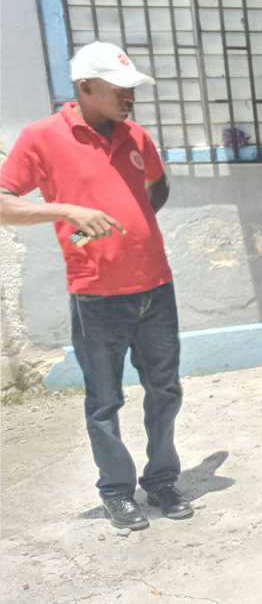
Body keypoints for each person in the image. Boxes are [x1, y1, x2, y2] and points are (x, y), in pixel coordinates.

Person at [0, 42, 191, 530]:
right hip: (97, 295)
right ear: (85, 87)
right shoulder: (41, 138)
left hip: (156, 287)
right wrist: (67, 211)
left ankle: (163, 481)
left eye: (132, 87)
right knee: (105, 400)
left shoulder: (136, 136)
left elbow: (158, 184)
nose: (130, 96)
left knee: (165, 390)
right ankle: (116, 491)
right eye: (119, 87)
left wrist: (136, 222)